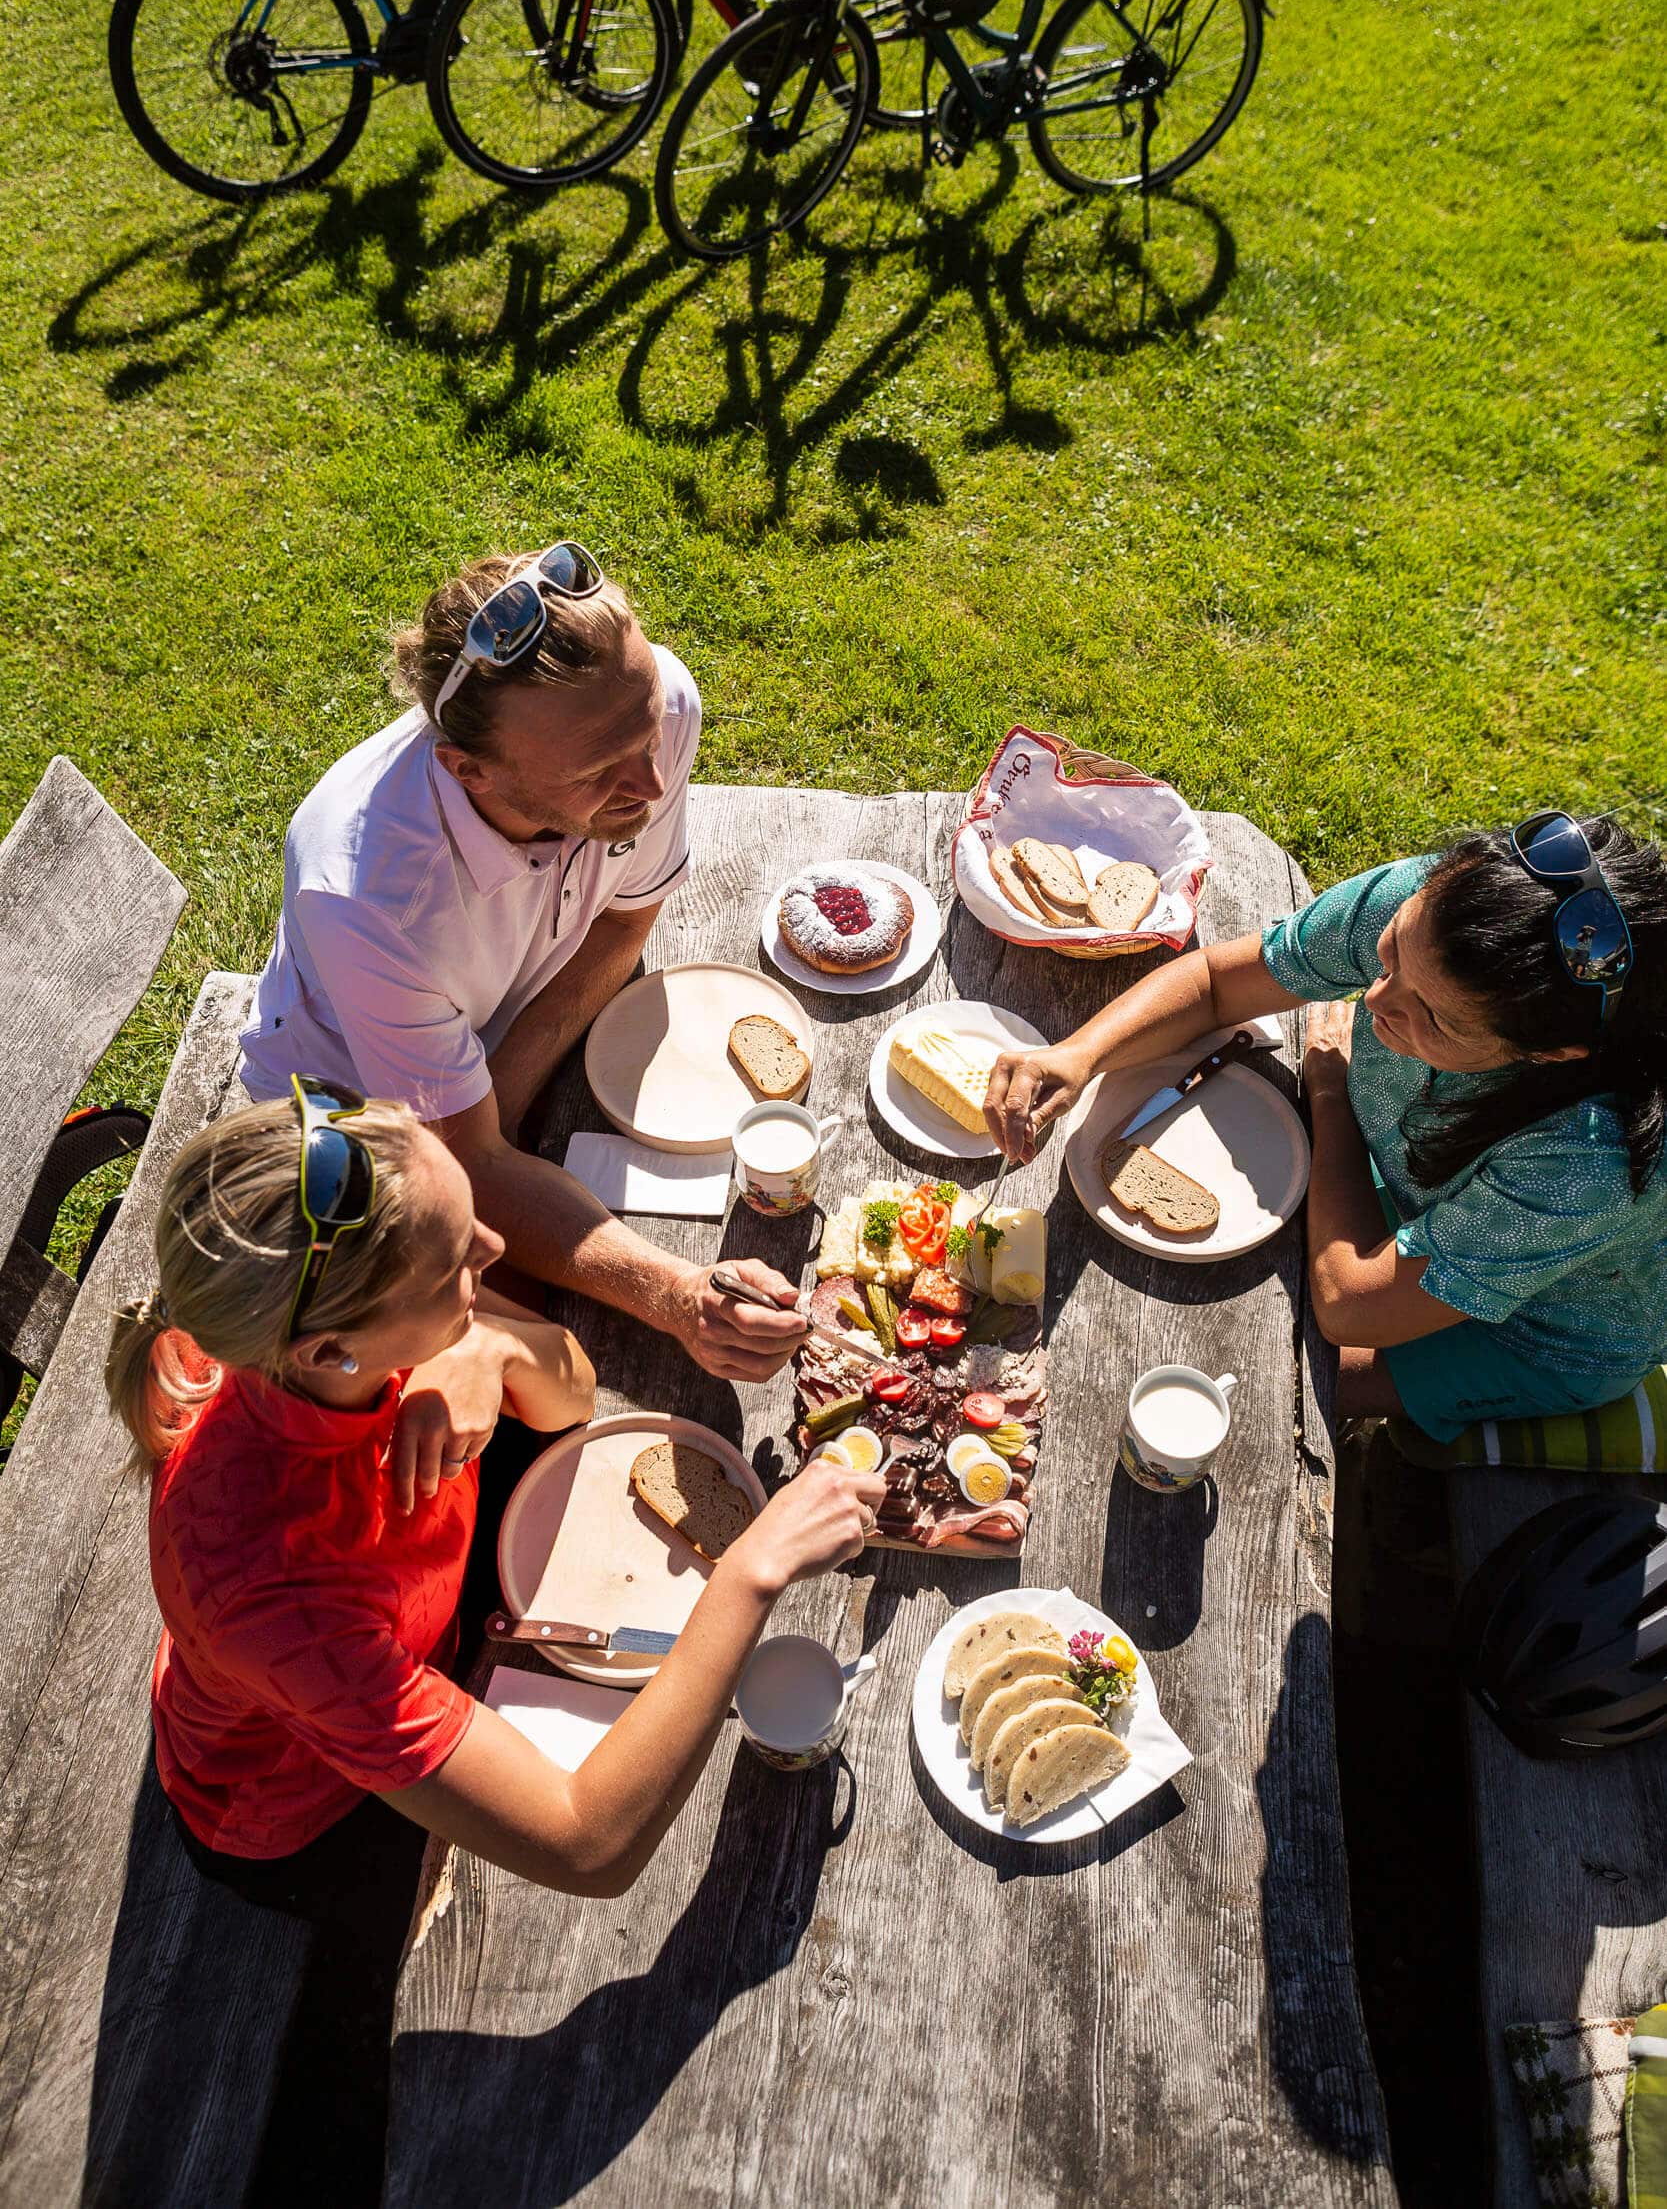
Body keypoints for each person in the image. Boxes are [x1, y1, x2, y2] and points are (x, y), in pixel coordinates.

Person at [108, 1083, 882, 1893]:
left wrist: (485, 1348)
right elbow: (588, 1847)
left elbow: (572, 1390)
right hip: (305, 1806)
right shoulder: (275, 1595)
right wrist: (751, 1571)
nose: (490, 1245)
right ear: (332, 1350)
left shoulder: (317, 1339)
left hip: (428, 1626)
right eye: (452, 1264)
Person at [239, 544, 806, 1388]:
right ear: (468, 770)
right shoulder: (368, 899)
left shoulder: (645, 711)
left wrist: (503, 1089)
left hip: (503, 1057)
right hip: (358, 1125)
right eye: (598, 774)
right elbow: (460, 1162)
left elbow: (625, 912)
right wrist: (679, 1295)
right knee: (529, 1378)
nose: (650, 785)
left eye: (650, 730)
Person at [983, 812, 1667, 1441]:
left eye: (1431, 1017)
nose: (1373, 996)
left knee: (1248, 1390)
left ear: (1547, 1054)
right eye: (1390, 951)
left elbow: (1350, 1305)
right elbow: (1218, 983)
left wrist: (1330, 1099)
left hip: (1532, 1334)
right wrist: (1077, 1055)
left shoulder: (1589, 1164)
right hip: (1399, 1195)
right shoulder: (1432, 913)